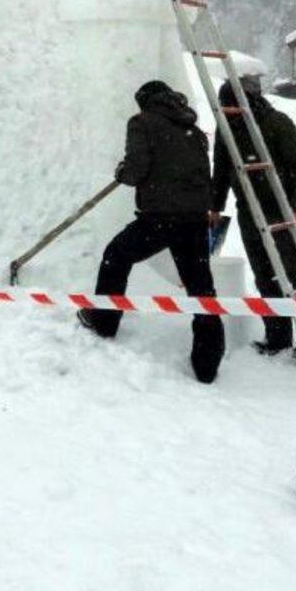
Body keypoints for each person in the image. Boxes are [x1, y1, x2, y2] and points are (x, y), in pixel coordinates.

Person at [77, 81, 226, 384]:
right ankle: (207, 363)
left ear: (144, 102)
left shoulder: (142, 122)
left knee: (116, 256)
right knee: (201, 288)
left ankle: (104, 321)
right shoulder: (193, 130)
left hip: (160, 216)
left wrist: (122, 171)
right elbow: (199, 173)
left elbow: (135, 171)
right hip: (194, 219)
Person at [209, 77, 296, 357]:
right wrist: (215, 205)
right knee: (263, 275)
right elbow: (222, 168)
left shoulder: (277, 122)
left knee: (289, 276)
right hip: (248, 210)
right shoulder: (225, 128)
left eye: (230, 104)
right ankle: (277, 337)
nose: (226, 110)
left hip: (279, 210)